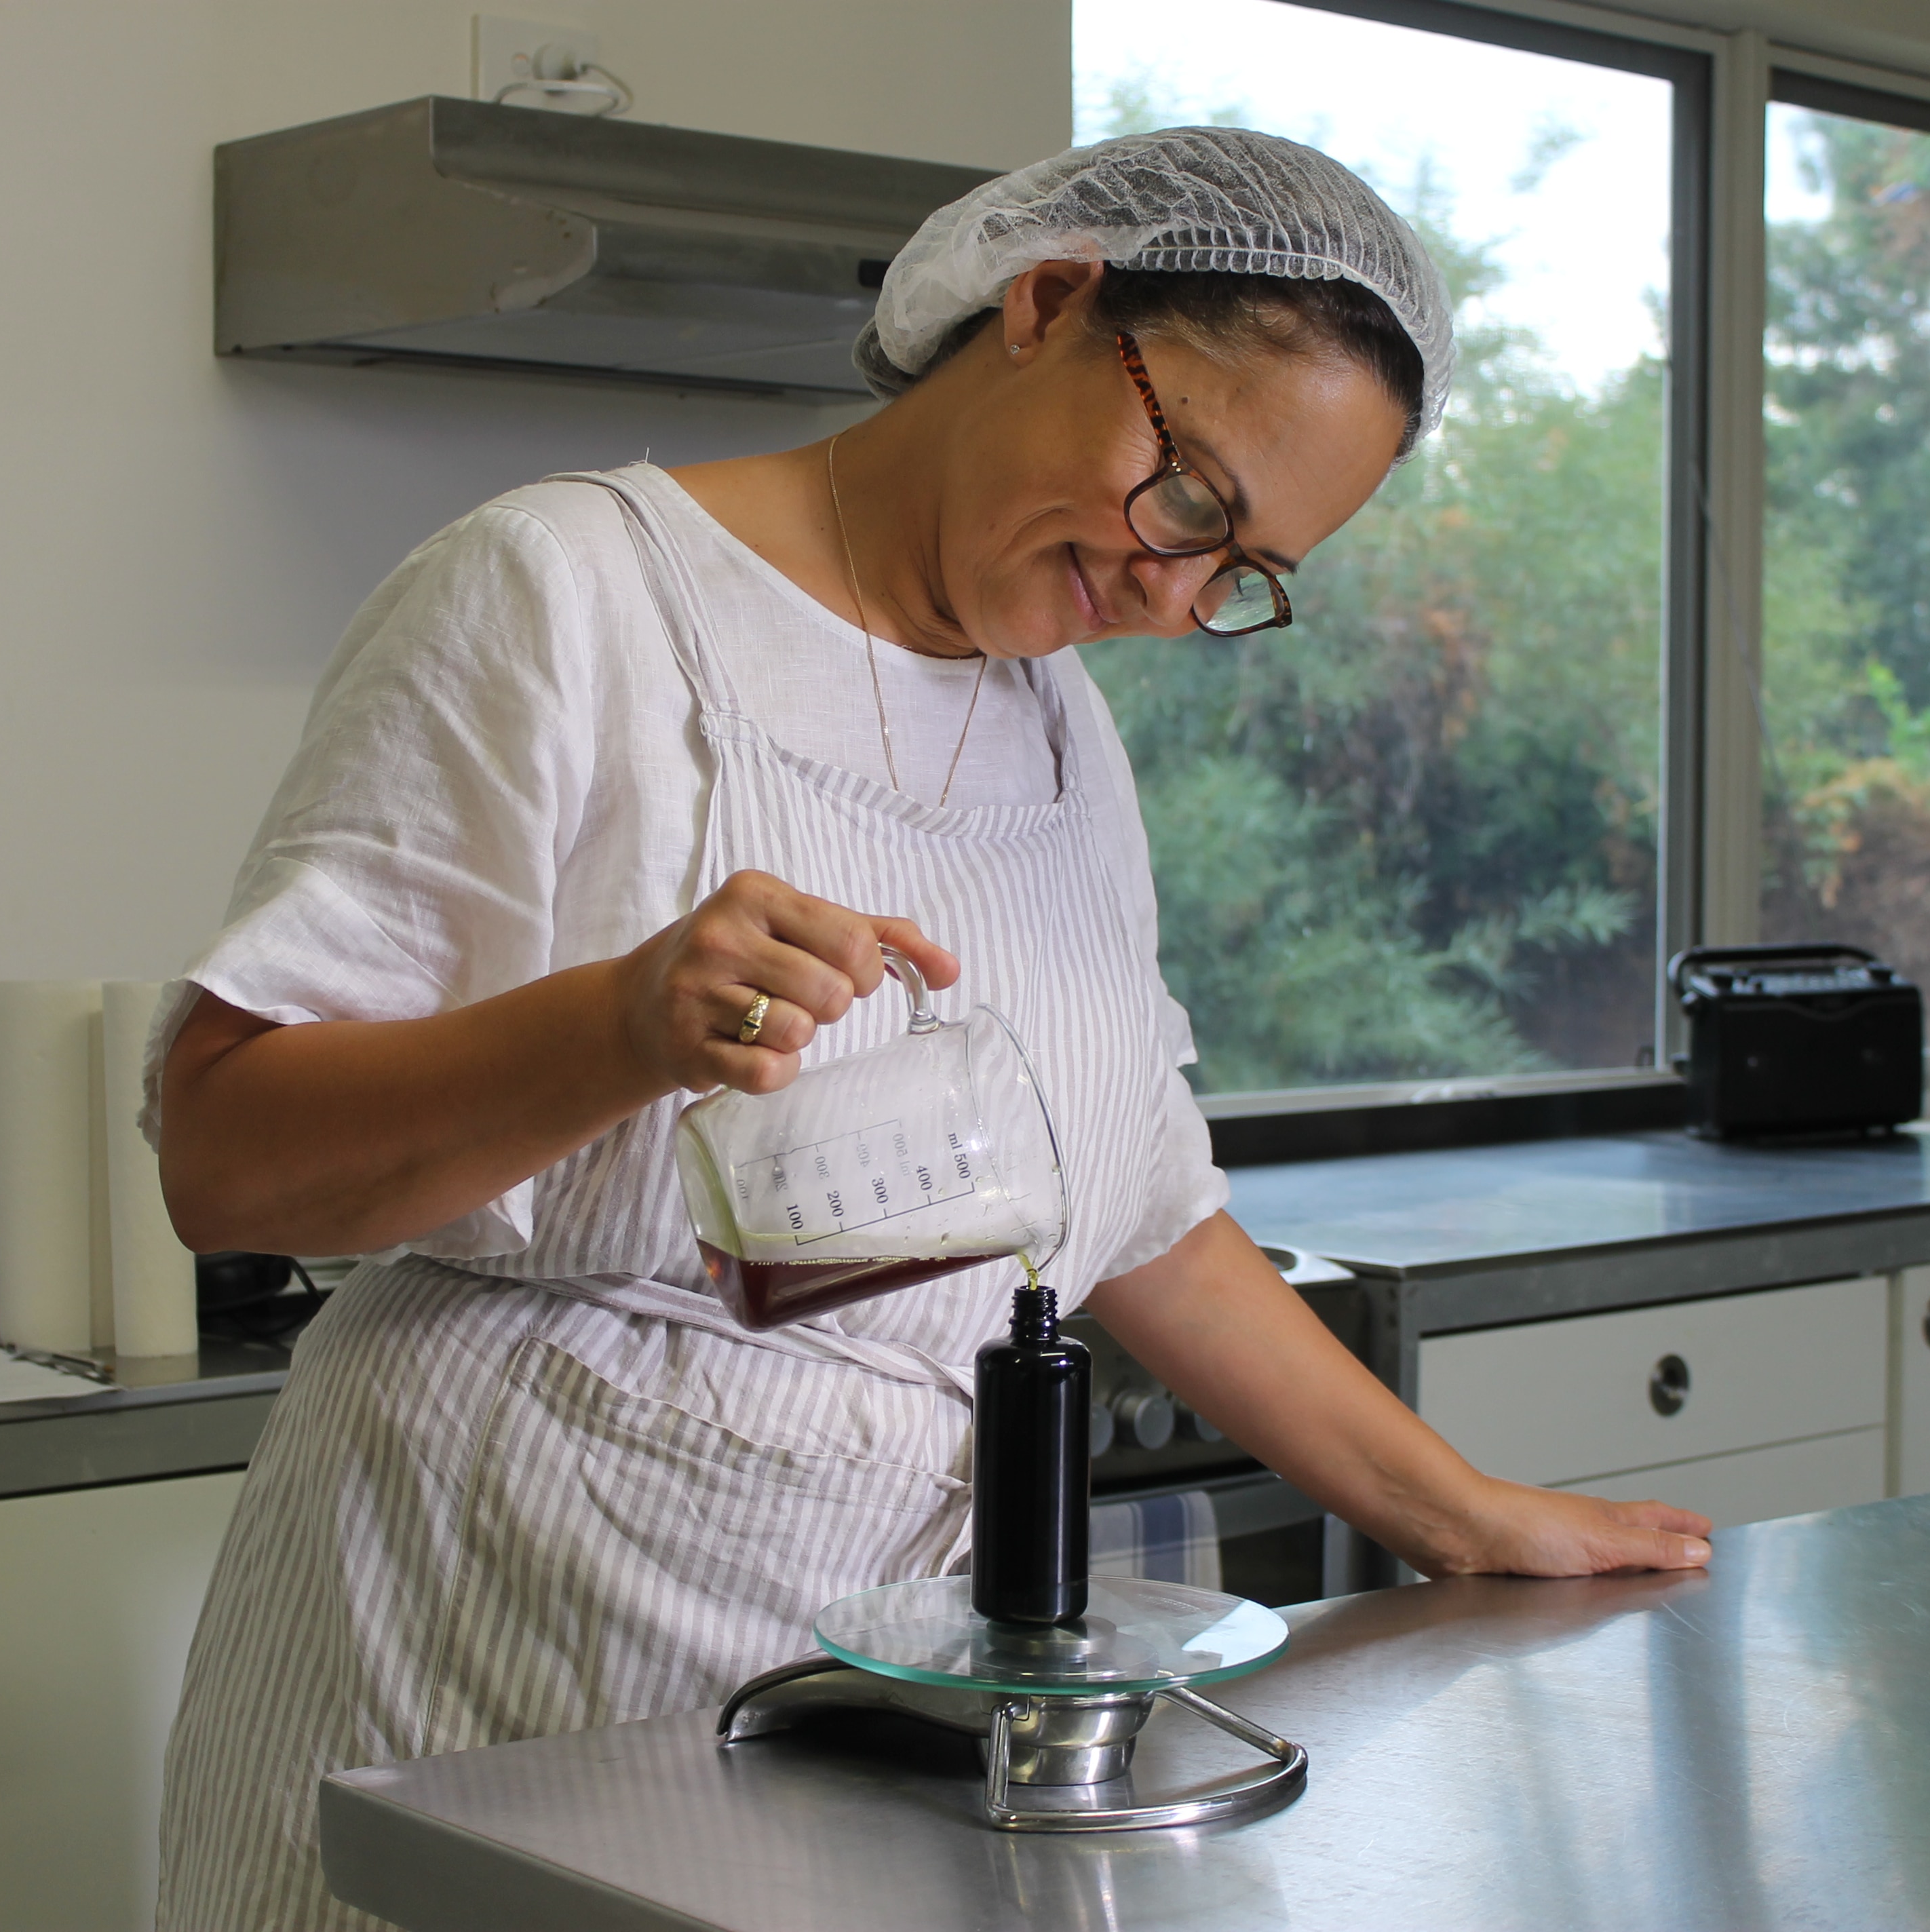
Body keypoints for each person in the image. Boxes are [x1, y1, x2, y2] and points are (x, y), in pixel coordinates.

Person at [145, 125, 1712, 1929]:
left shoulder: (1061, 739)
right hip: (482, 1666)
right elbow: (226, 1152)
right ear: (1047, 307)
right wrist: (623, 1026)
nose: (1171, 590)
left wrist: (1454, 1511)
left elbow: (1146, 1216)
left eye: (1241, 570)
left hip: (867, 1719)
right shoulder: (565, 593)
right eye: (1187, 497)